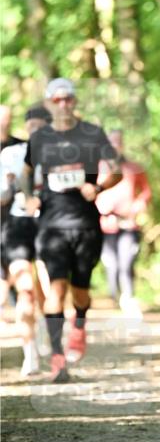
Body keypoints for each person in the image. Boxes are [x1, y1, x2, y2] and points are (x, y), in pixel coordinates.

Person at [24, 77, 121, 383]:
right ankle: (57, 358)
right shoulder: (40, 138)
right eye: (57, 99)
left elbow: (116, 169)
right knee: (56, 291)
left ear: (74, 101)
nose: (63, 104)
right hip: (52, 225)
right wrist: (28, 196)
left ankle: (79, 324)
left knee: (80, 293)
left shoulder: (91, 132)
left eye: (68, 99)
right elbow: (28, 171)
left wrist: (99, 186)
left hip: (86, 225)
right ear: (49, 103)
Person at [0, 105, 52, 375]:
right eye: (31, 127)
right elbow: (2, 197)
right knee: (25, 289)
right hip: (18, 226)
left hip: (48, 225)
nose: (35, 132)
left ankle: (46, 330)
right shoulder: (11, 154)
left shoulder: (60, 153)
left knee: (47, 288)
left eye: (41, 127)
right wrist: (10, 186)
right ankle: (29, 352)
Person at [96, 129, 151, 317]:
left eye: (118, 142)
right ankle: (115, 296)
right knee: (111, 263)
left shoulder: (133, 167)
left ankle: (128, 297)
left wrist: (137, 207)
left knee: (126, 262)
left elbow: (146, 192)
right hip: (105, 225)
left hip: (128, 224)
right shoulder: (97, 167)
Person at [0, 104, 26, 311]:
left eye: (7, 117)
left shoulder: (21, 146)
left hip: (16, 216)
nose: (4, 121)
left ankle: (19, 305)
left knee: (17, 261)